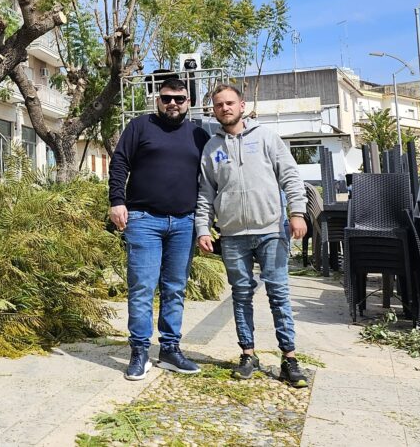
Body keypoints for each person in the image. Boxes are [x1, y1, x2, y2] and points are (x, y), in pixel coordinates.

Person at [195, 84, 310, 388]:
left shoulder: (266, 137)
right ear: (214, 110)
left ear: (242, 105)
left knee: (278, 294)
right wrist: (203, 228)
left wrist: (297, 213)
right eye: (219, 105)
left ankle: (289, 359)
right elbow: (205, 193)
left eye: (230, 103)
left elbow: (290, 176)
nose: (225, 109)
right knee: (241, 295)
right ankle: (248, 354)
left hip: (271, 230)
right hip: (233, 235)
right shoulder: (212, 148)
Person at [109, 76, 210, 381]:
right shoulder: (140, 126)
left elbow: (213, 176)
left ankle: (169, 349)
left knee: (175, 289)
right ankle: (139, 351)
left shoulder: (199, 136)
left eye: (179, 99)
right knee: (142, 288)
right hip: (143, 220)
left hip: (184, 222)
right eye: (167, 98)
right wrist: (117, 200)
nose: (172, 104)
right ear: (157, 99)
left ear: (188, 102)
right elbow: (119, 163)